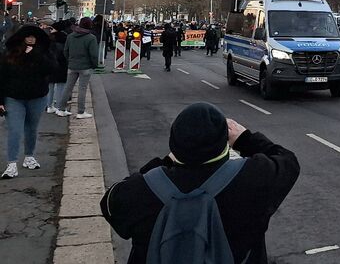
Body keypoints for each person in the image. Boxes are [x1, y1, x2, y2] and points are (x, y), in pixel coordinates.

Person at [100, 102, 300, 264]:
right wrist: (244, 139)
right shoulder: (253, 179)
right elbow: (288, 161)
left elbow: (109, 205)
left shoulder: (141, 191)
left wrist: (165, 162)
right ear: (223, 144)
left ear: (174, 144)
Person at [0, 25, 56, 179]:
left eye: (34, 36)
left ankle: (29, 156)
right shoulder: (10, 53)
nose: (31, 39)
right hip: (14, 97)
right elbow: (2, 76)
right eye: (28, 36)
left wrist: (36, 55)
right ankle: (11, 164)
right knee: (14, 130)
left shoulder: (43, 52)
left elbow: (51, 69)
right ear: (22, 37)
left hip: (37, 97)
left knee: (31, 128)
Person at [56, 17, 100, 119]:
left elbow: (65, 51)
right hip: (85, 67)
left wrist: (70, 60)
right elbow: (93, 55)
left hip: (72, 65)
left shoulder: (70, 36)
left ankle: (61, 109)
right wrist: (94, 65)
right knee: (82, 89)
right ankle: (81, 111)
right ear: (90, 25)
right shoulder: (91, 38)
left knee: (68, 87)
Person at [46, 22, 69, 114]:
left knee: (50, 87)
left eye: (52, 28)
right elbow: (67, 52)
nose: (50, 30)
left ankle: (49, 106)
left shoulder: (48, 38)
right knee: (61, 87)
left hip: (50, 64)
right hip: (62, 65)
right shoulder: (65, 38)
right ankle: (60, 107)